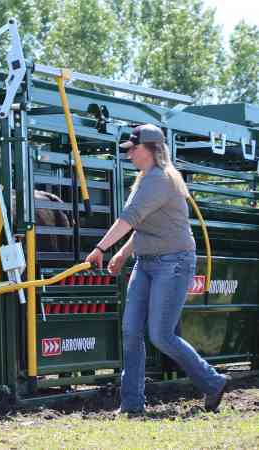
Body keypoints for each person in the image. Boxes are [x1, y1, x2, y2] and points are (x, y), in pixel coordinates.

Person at [85, 124, 228, 414]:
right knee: (131, 331)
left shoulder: (160, 180)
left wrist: (101, 249)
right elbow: (142, 224)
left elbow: (129, 217)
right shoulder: (145, 179)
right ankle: (132, 404)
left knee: (161, 335)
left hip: (173, 263)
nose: (129, 155)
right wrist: (124, 253)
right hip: (146, 263)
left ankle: (213, 382)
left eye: (133, 150)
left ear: (149, 150)